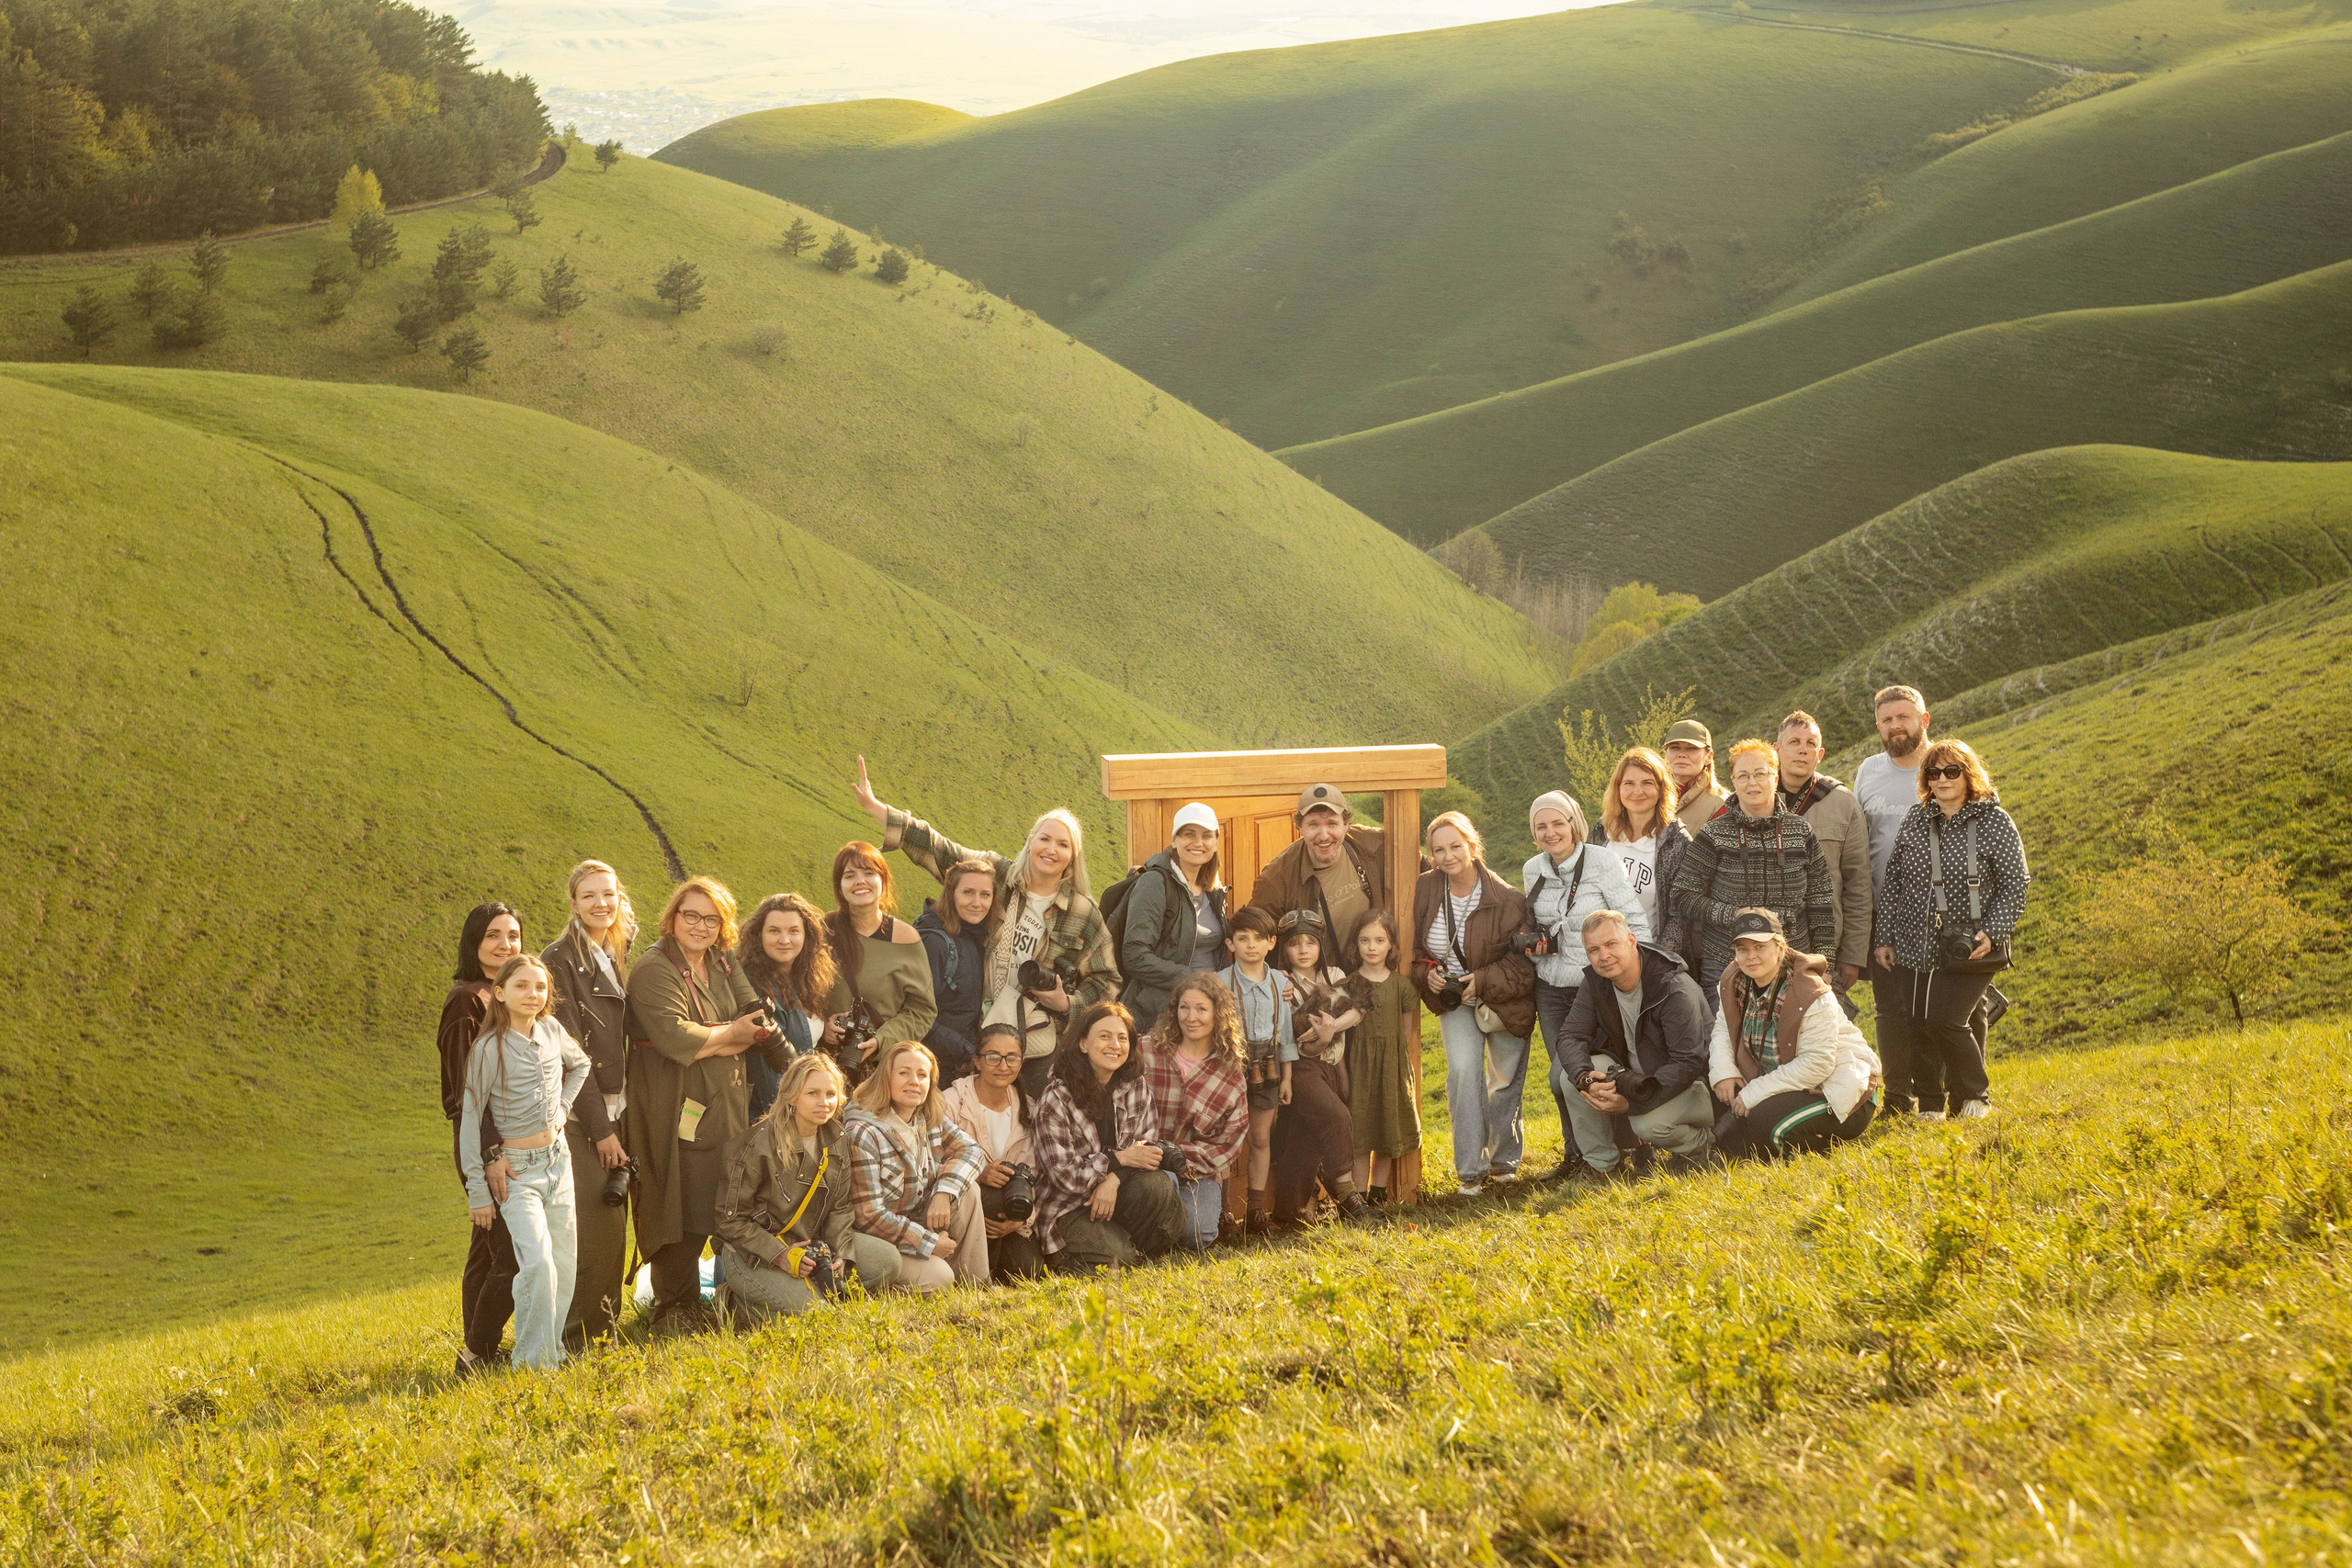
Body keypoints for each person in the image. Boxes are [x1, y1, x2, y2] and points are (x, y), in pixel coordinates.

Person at [852, 757, 1119, 1097]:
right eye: (1044, 839)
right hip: (977, 1029)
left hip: (1034, 1041)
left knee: (1029, 1113)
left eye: (1063, 844)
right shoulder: (999, 875)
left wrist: (1067, 1003)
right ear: (1030, 841)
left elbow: (1107, 979)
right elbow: (942, 850)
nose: (1051, 850)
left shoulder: (1082, 911)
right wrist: (878, 810)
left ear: (1073, 856)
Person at [624, 876, 786, 1337]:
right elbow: (677, 1038)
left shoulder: (721, 959)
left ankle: (729, 1296)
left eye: (711, 919)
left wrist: (721, 1037)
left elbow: (754, 1016)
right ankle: (674, 1308)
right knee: (677, 1196)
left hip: (724, 1102)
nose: (700, 926)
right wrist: (732, 1035)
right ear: (673, 917)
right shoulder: (654, 969)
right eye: (690, 915)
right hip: (673, 1102)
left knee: (724, 1194)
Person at [1872, 739, 2030, 1123]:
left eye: (1951, 771)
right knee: (1916, 1024)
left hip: (1971, 944)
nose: (1942, 779)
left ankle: (1975, 1096)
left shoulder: (1995, 821)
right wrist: (1885, 938)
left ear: (1968, 774)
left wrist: (1993, 931)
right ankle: (1931, 1105)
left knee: (1947, 1020)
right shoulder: (1916, 818)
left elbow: (2015, 882)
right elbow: (1893, 881)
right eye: (1933, 772)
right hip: (1913, 942)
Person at [458, 954, 592, 1371]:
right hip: (517, 1172)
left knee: (563, 1265)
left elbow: (581, 1065)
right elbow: (470, 1119)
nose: (532, 994)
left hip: (558, 1162)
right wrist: (478, 1191)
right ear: (500, 993)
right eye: (521, 986)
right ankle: (534, 1365)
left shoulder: (552, 1030)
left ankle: (552, 1351)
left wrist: (562, 1109)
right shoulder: (488, 1048)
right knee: (536, 1265)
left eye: (540, 987)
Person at [714, 1053, 902, 1323]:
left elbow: (840, 1208)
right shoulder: (754, 1146)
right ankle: (735, 1304)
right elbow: (729, 1221)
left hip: (811, 1246)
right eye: (813, 1093)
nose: (824, 1102)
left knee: (888, 1261)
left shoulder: (836, 1138)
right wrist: (779, 1254)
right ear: (792, 1096)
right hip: (753, 1254)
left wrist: (842, 1254)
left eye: (830, 1094)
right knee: (817, 1315)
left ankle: (807, 1293)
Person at [1521, 790, 1650, 1180]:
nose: (1550, 832)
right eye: (1541, 826)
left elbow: (1633, 921)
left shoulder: (1601, 861)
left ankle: (1624, 1149)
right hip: (1550, 987)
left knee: (1583, 1072)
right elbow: (1536, 925)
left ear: (1574, 824)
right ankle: (1575, 1155)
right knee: (1565, 1081)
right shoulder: (1532, 869)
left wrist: (1639, 973)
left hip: (1595, 988)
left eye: (1558, 823)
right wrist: (1534, 947)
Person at [1409, 810, 1536, 1196]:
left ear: (1472, 845)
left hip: (1504, 999)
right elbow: (1413, 947)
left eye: (1455, 847)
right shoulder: (1424, 889)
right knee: (1464, 1073)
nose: (1448, 856)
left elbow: (1523, 965)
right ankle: (1469, 1170)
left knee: (1504, 1081)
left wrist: (1480, 980)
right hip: (1453, 1000)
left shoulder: (1508, 898)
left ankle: (1503, 1160)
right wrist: (1426, 973)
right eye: (1439, 850)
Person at [541, 861, 636, 1348]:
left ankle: (602, 1330)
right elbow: (572, 1057)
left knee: (611, 1224)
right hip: (581, 1115)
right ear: (574, 903)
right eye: (590, 896)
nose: (601, 903)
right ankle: (585, 1337)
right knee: (594, 1227)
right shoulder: (559, 959)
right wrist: (603, 1132)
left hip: (617, 1107)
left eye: (609, 894)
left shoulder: (612, 951)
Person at [1709, 909, 1883, 1159]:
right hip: (1787, 1083)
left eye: (1760, 946)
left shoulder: (1811, 993)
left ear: (1780, 948)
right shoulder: (1734, 981)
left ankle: (1824, 1150)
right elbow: (1723, 1030)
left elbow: (1817, 1065)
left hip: (1839, 1090)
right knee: (1718, 1090)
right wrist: (1725, 1073)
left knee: (1764, 1122)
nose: (1751, 956)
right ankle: (1743, 1146)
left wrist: (1754, 1092)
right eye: (1742, 949)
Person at [1554, 909, 1716, 1176]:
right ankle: (1602, 1165)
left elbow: (1688, 1062)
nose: (1603, 956)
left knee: (1647, 1125)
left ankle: (1700, 1145)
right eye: (1593, 950)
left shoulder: (1672, 985)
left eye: (1611, 944)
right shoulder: (1596, 982)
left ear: (1631, 941)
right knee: (1569, 1078)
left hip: (1694, 1085)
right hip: (1640, 1080)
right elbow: (1570, 1035)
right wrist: (1585, 1079)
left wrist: (1632, 1103)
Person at [1678, 739, 1836, 1001]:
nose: (1752, 783)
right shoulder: (1714, 834)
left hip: (1792, 960)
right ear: (1733, 781)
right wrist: (1733, 914)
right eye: (1743, 776)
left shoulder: (1800, 831)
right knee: (1725, 1029)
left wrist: (1825, 963)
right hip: (1727, 962)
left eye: (1760, 774)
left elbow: (1820, 900)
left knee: (1793, 1030)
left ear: (1776, 777)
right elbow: (1682, 895)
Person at [1030, 1002, 1184, 1270]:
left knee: (1158, 1185)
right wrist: (1117, 1161)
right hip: (1067, 1207)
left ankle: (1121, 1245)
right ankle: (1088, 1253)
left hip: (1115, 1192)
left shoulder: (1135, 1086)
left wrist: (1113, 1179)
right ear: (1083, 1043)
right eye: (1104, 1036)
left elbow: (1146, 1150)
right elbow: (1065, 1177)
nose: (1115, 1045)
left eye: (1122, 1038)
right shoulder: (1056, 1099)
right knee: (1120, 1258)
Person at [441, 901, 521, 1377]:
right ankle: (477, 1353)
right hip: (482, 1141)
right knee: (513, 1255)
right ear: (474, 942)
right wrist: (489, 1153)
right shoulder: (467, 1000)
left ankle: (478, 1349)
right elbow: (464, 1093)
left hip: (511, 1140)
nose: (505, 945)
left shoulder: (504, 995)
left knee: (484, 1249)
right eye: (493, 935)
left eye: (513, 936)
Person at [842, 1041, 989, 1291]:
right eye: (904, 1073)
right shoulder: (863, 1132)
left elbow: (972, 1151)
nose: (914, 1081)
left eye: (922, 1075)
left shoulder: (927, 1117)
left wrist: (944, 1192)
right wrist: (929, 1243)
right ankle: (878, 1287)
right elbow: (869, 1217)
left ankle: (976, 1286)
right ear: (885, 1078)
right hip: (876, 1239)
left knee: (968, 1191)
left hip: (914, 1219)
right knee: (939, 1277)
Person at [1853, 685, 1931, 1112]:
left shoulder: (1946, 765)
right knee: (1890, 1008)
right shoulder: (1869, 770)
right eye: (1887, 720)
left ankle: (1958, 1090)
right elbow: (1859, 837)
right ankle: (1899, 1098)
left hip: (1937, 912)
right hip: (1880, 911)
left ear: (1924, 720)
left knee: (1940, 1006)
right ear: (1878, 726)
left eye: (1903, 717)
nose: (1895, 726)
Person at [1140, 975, 1250, 1249]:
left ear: (1218, 1014)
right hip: (1142, 1165)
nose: (1191, 1017)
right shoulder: (1147, 1050)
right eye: (1184, 1007)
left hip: (1196, 1174)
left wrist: (1180, 1157)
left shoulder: (1230, 1076)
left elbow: (1229, 1142)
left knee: (1198, 1232)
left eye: (1201, 1009)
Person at [1272, 909, 1366, 1224]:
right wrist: (1321, 1038)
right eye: (1294, 944)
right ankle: (1347, 1193)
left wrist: (1332, 1027)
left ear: (1320, 946)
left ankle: (1293, 1211)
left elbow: (1358, 1009)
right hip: (1301, 1067)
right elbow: (1297, 1041)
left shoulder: (1335, 974)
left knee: (1305, 1137)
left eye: (1310, 943)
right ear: (1284, 949)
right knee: (1337, 1118)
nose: (1303, 950)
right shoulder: (1282, 982)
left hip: (1334, 1065)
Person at [820, 842, 938, 1087]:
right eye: (849, 875)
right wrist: (821, 1025)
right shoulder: (823, 931)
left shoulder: (906, 940)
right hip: (822, 1066)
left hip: (880, 1071)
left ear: (883, 880)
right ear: (839, 886)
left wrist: (882, 1041)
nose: (860, 881)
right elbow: (798, 992)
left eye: (869, 873)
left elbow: (922, 1011)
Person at [1248, 782, 1405, 958]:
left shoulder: (1375, 845)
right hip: (1317, 975)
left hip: (1373, 971)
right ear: (1300, 827)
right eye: (1313, 825)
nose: (1323, 836)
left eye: (1332, 823)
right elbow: (1255, 937)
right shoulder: (1275, 879)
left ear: (1346, 824)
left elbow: (1419, 862)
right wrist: (1277, 972)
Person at [941, 1022, 1047, 1280]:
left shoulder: (1028, 1107)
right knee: (991, 1197)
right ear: (977, 1061)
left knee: (1030, 1271)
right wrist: (978, 1174)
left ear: (1021, 1062)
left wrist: (1022, 1220)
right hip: (962, 1204)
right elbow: (931, 1161)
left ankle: (990, 1267)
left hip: (1010, 1212)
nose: (1003, 1066)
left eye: (1012, 1058)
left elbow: (1038, 1176)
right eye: (993, 1057)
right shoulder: (951, 1102)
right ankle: (977, 1277)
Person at [1775, 712, 1873, 992]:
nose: (1803, 749)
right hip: (1762, 944)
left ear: (1820, 754)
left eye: (1811, 744)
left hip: (1825, 948)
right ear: (1776, 749)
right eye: (1794, 742)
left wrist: (1852, 955)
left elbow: (1858, 884)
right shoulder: (1754, 798)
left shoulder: (1843, 804)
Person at [1217, 905, 1296, 1232]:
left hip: (1269, 1065)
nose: (1251, 945)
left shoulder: (1280, 981)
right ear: (1230, 944)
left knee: (1261, 1137)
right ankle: (1222, 1213)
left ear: (1271, 942)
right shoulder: (1219, 982)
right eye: (1243, 938)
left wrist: (1287, 1077)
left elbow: (1286, 1033)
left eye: (1259, 938)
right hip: (1228, 1064)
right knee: (1223, 1138)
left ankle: (1255, 1211)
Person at [1118, 802, 1229, 1027]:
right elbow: (1134, 954)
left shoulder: (1214, 891)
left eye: (1206, 836)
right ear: (1174, 840)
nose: (1198, 842)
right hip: (1162, 1013)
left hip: (1208, 1009)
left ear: (1215, 843)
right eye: (1189, 834)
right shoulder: (1155, 883)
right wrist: (1190, 978)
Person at [736, 890, 842, 1119]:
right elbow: (767, 1078)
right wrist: (793, 1119)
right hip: (778, 1115)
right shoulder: (756, 988)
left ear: (806, 935)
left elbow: (802, 1037)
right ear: (759, 935)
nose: (784, 940)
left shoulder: (805, 978)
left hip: (805, 1106)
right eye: (774, 931)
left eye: (793, 931)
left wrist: (825, 1028)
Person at [1343, 911, 1419, 1205]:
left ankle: (1378, 1194)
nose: (1372, 947)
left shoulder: (1401, 985)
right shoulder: (1351, 983)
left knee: (1389, 1129)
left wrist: (1394, 1059)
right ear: (1356, 944)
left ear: (1391, 945)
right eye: (1365, 940)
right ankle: (1358, 1197)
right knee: (1361, 1132)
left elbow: (1405, 1031)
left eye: (1379, 940)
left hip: (1392, 1067)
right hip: (1360, 1067)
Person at [1596, 747, 1696, 960]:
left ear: (1661, 788)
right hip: (1600, 956)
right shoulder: (1602, 831)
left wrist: (1654, 961)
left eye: (1647, 783)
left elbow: (1680, 917)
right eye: (1629, 783)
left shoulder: (1676, 841)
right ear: (1618, 788)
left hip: (1650, 956)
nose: (1638, 791)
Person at [916, 861, 997, 1084]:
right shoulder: (935, 943)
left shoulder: (973, 936)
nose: (977, 903)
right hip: (930, 1069)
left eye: (985, 895)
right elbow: (917, 1015)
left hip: (957, 1067)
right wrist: (967, 1051)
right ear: (951, 894)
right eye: (968, 893)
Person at [1661, 719, 1729, 834]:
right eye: (1675, 747)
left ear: (1709, 757)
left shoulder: (1721, 805)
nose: (1682, 754)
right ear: (1666, 754)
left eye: (1691, 748)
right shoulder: (1649, 795)